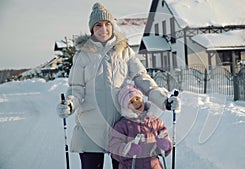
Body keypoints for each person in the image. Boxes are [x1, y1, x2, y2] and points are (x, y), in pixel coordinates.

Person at [56, 2, 181, 169]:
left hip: (121, 130)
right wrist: (70, 104)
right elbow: (76, 88)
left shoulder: (124, 51)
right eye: (98, 25)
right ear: (92, 29)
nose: (104, 29)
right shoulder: (83, 55)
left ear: (112, 26)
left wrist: (164, 100)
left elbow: (142, 78)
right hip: (91, 128)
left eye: (107, 24)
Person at [110, 83, 173, 169]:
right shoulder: (123, 125)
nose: (136, 102)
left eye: (137, 98)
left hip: (153, 166)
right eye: (131, 102)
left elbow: (164, 136)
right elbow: (114, 147)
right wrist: (128, 150)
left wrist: (166, 145)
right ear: (126, 107)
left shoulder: (155, 122)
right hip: (131, 166)